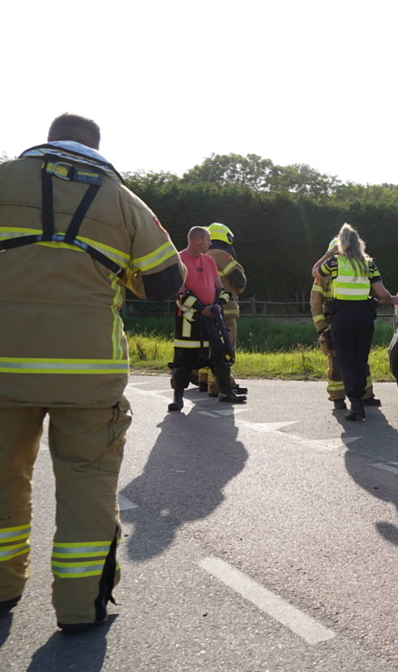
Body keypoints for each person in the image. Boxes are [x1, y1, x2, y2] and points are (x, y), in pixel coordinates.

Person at [0, 114, 184, 633]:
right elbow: (166, 281)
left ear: (49, 138)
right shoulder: (122, 201)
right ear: (96, 147)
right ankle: (81, 608)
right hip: (88, 374)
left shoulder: (4, 178)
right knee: (87, 483)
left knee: (2, 477)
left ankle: (2, 585)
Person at [312, 224, 393, 421]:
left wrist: (328, 253)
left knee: (346, 362)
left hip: (342, 318)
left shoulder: (334, 263)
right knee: (360, 360)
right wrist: (395, 299)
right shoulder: (369, 265)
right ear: (360, 244)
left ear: (341, 244)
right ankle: (360, 398)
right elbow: (382, 294)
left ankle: (356, 405)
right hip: (365, 317)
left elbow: (315, 271)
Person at [168, 226, 246, 410]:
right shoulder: (179, 260)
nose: (210, 244)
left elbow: (219, 287)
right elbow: (180, 292)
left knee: (219, 354)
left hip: (212, 317)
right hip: (188, 321)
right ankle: (177, 398)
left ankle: (225, 391)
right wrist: (200, 308)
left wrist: (218, 304)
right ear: (198, 241)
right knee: (183, 360)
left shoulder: (209, 261)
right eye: (208, 240)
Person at [310, 274, 381, 410]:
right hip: (333, 323)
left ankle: (366, 395)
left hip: (355, 321)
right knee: (336, 363)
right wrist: (322, 328)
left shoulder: (355, 268)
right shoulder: (324, 274)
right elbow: (316, 303)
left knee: (360, 360)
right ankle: (337, 397)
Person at [200, 222, 247, 397]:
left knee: (210, 345)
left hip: (206, 308)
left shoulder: (202, 256)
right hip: (226, 308)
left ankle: (205, 380)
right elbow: (239, 280)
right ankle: (219, 385)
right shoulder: (221, 255)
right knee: (226, 347)